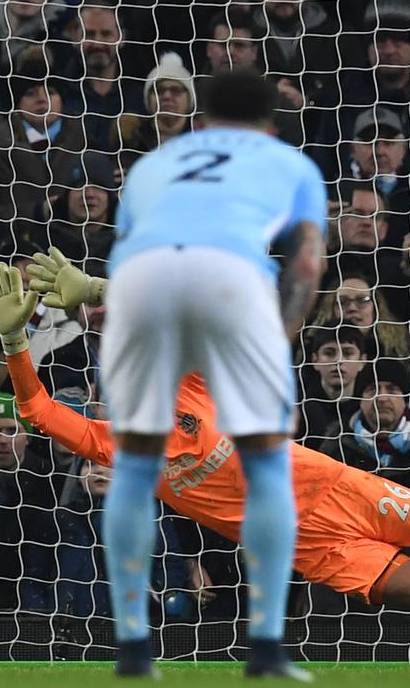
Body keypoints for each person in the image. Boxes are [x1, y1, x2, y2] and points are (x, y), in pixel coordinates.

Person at [0, 260, 410, 670]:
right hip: (314, 550)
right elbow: (35, 409)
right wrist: (13, 337)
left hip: (339, 490)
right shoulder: (111, 445)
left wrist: (95, 285)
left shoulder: (190, 384)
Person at [51, 71, 328, 678]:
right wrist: (273, 343)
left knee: (135, 464)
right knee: (264, 462)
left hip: (141, 284)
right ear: (271, 126)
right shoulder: (289, 163)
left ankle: (131, 646)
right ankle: (266, 646)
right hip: (230, 279)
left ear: (200, 122)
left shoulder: (157, 163)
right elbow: (306, 260)